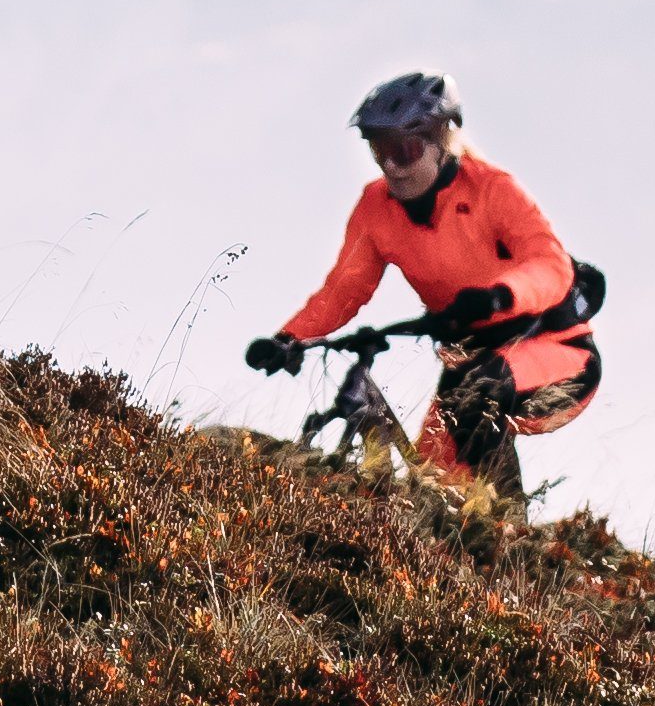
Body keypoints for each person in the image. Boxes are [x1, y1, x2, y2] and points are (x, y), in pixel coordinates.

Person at [245, 71, 597, 504]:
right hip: (467, 365)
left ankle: (507, 539)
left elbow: (549, 264)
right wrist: (289, 338)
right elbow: (344, 289)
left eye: (405, 150)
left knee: (481, 394)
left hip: (556, 352)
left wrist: (500, 295)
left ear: (441, 139)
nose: (392, 166)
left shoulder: (492, 190)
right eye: (380, 152)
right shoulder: (376, 208)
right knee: (430, 493)